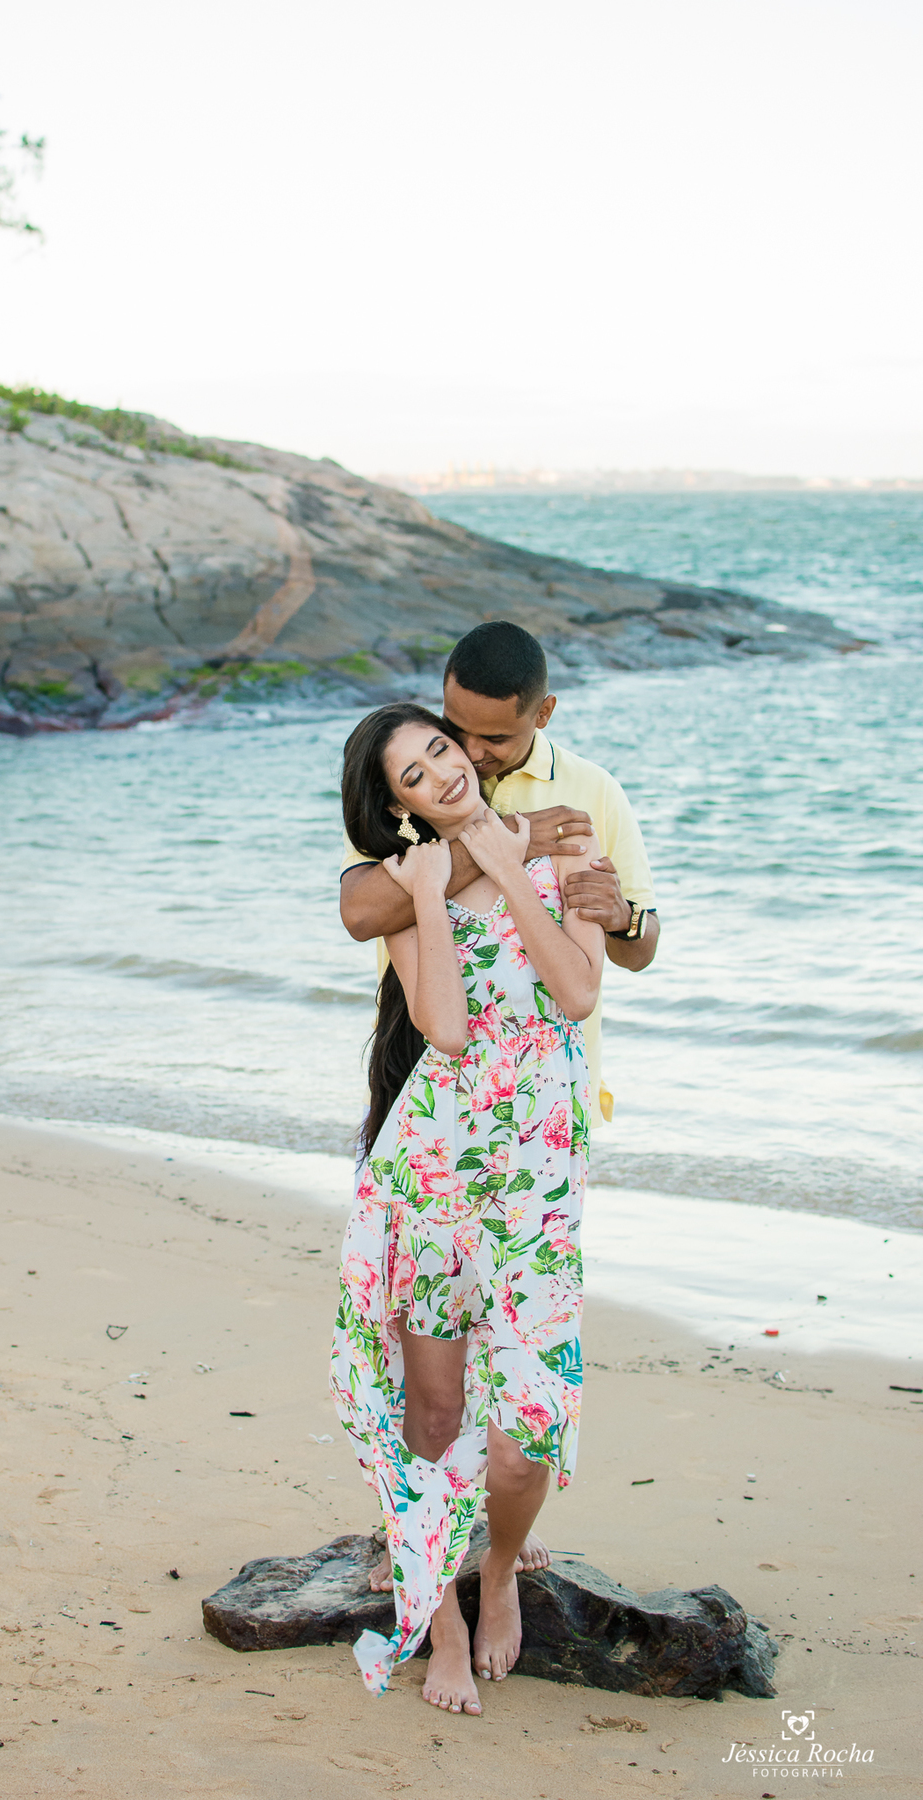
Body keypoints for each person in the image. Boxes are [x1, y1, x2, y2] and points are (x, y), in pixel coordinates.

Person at [330, 701, 604, 1713]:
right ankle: (440, 1615)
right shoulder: (409, 889)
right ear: (398, 806)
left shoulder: (564, 844)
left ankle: (500, 1569)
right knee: (435, 1409)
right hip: (436, 1180)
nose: (439, 772)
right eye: (413, 776)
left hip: (534, 1184)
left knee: (529, 1428)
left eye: (440, 750)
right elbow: (442, 1028)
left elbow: (576, 992)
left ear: (467, 752)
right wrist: (441, 887)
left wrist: (507, 854)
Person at [340, 620, 659, 1130]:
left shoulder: (593, 791)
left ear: (544, 713)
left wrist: (621, 917)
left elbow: (638, 952)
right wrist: (516, 838)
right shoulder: (408, 787)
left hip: (551, 1097)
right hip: (423, 1088)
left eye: (494, 737)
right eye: (454, 727)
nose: (467, 750)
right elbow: (361, 914)